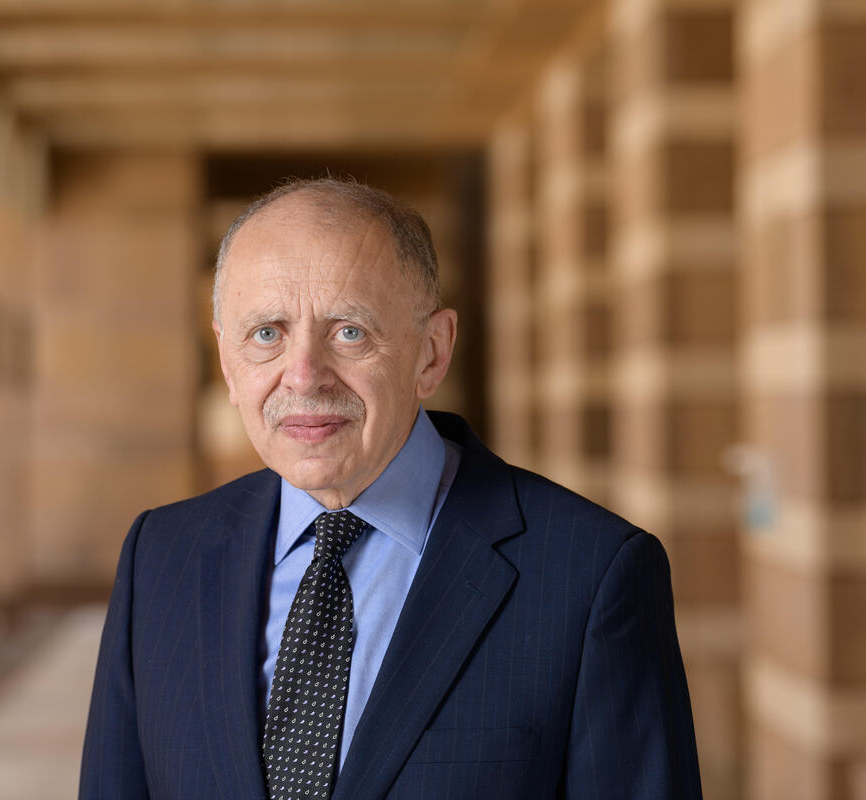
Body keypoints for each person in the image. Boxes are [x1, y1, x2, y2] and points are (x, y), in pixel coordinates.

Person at [80, 178, 702, 799]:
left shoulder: (593, 576)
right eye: (266, 333)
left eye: (349, 331)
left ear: (432, 352)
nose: (304, 375)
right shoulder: (159, 557)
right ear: (226, 359)